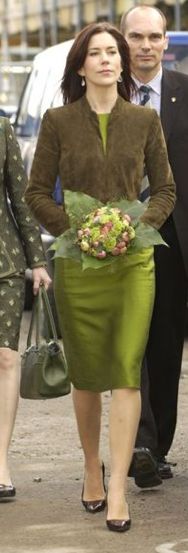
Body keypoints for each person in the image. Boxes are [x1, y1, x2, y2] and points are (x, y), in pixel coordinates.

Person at [25, 22, 175, 532]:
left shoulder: (144, 120)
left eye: (114, 52)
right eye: (97, 53)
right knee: (88, 376)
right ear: (82, 65)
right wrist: (79, 230)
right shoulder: (57, 121)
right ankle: (93, 467)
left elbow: (166, 191)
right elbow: (37, 193)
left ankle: (116, 492)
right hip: (78, 264)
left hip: (133, 263)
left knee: (126, 371)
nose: (108, 60)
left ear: (122, 63)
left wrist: (134, 227)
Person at [120, 4, 188, 488]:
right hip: (116, 236)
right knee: (127, 344)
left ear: (166, 42)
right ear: (123, 41)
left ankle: (156, 447)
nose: (146, 45)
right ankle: (137, 443)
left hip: (174, 239)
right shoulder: (103, 92)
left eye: (154, 37)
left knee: (164, 345)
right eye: (137, 37)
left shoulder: (186, 92)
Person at [0, 117, 51, 501]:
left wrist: (37, 260)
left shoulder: (2, 130)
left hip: (5, 263)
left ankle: (0, 462)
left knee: (6, 358)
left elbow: (20, 196)